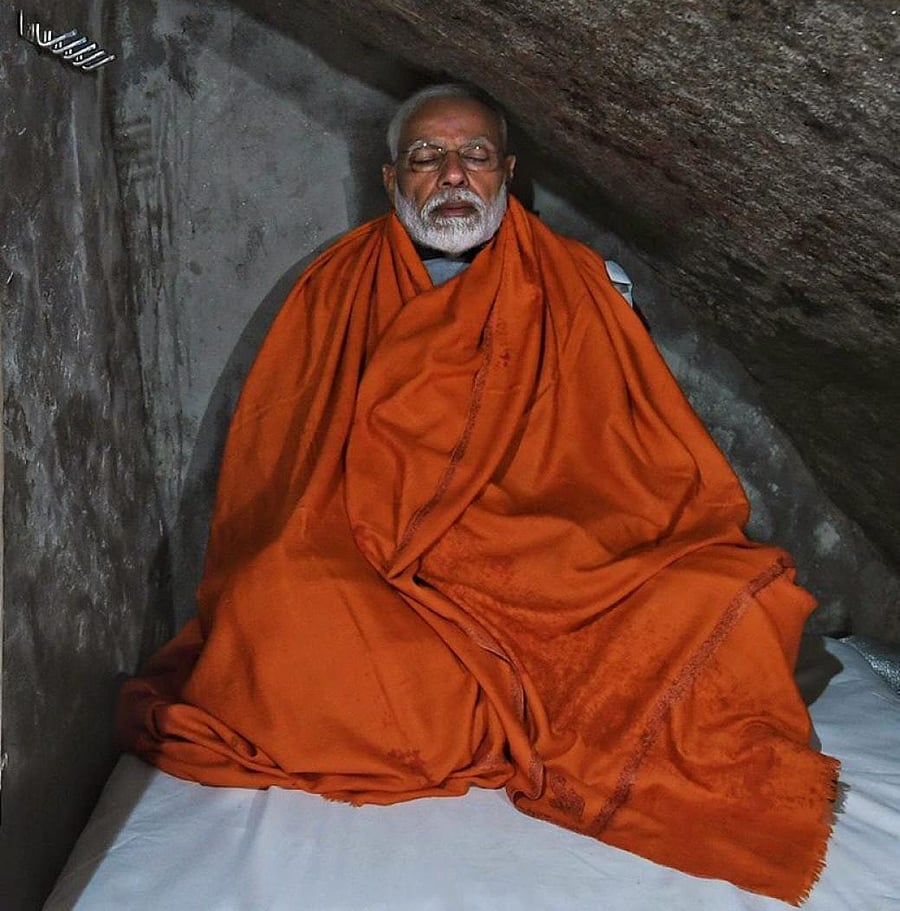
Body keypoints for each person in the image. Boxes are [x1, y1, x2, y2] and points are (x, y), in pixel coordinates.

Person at [118, 84, 838, 903]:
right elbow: (290, 459)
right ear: (393, 179)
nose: (453, 175)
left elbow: (628, 456)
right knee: (275, 599)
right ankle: (501, 702)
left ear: (507, 173)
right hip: (368, 548)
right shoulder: (334, 285)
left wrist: (543, 538)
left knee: (720, 602)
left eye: (475, 155)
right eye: (428, 156)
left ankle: (477, 700)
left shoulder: (578, 280)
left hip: (543, 548)